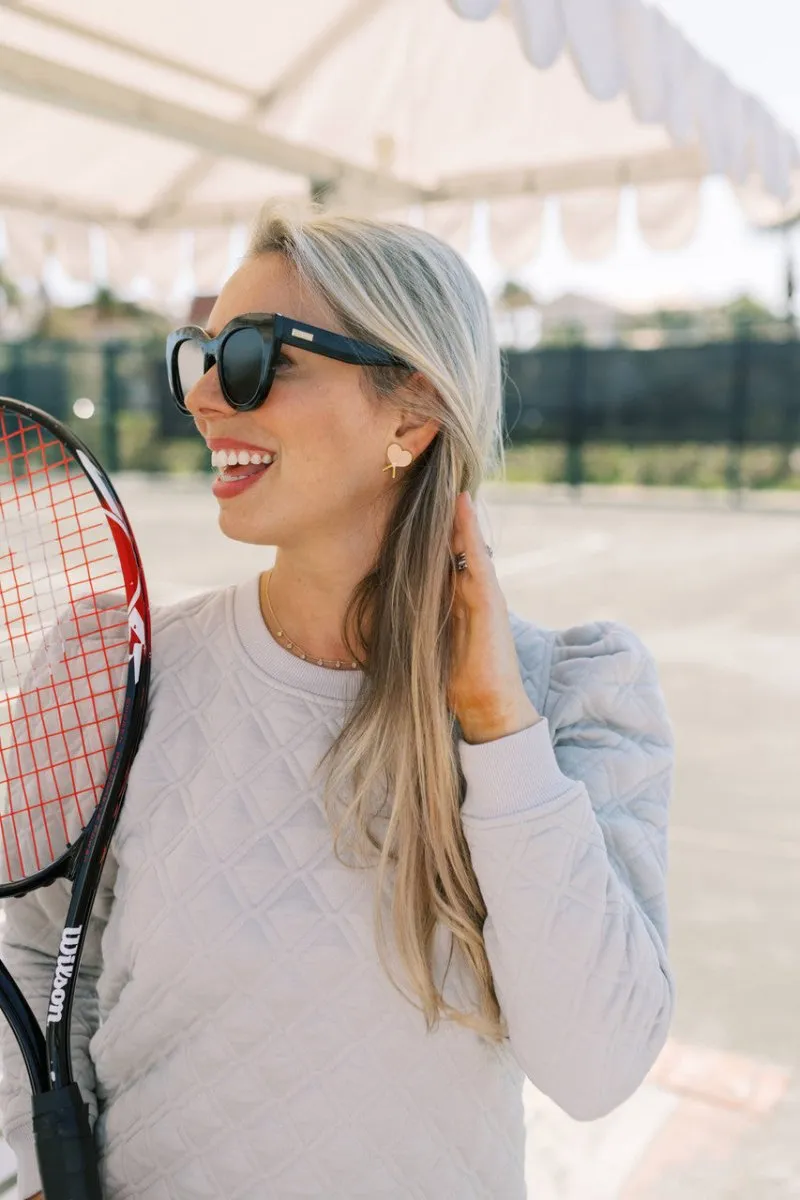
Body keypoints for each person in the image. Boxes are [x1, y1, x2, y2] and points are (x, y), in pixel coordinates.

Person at [0, 207, 675, 1199]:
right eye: (196, 354)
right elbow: (23, 958)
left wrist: (497, 731)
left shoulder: (573, 694)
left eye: (248, 355)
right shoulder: (114, 670)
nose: (200, 396)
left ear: (409, 410)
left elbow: (594, 1067)